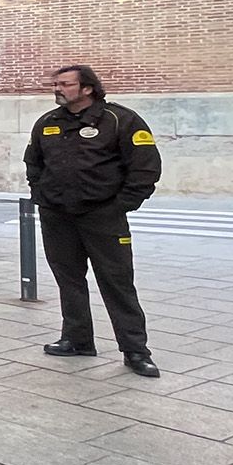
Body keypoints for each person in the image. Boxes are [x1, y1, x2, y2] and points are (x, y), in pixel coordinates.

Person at [26, 64, 162, 378]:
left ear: (87, 88)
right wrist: (41, 197)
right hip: (58, 217)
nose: (57, 88)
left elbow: (145, 167)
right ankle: (77, 339)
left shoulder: (119, 120)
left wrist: (120, 206)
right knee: (69, 280)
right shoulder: (47, 122)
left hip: (103, 217)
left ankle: (135, 351)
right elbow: (34, 163)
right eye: (56, 84)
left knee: (117, 284)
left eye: (65, 84)